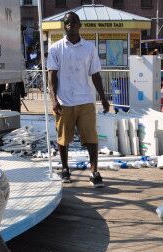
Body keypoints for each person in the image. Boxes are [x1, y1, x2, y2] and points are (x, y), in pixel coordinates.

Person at [47, 12, 110, 188]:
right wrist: (53, 100)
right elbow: (51, 77)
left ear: (80, 25)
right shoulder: (55, 48)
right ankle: (65, 169)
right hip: (64, 102)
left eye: (74, 22)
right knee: (63, 139)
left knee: (91, 137)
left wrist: (103, 98)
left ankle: (94, 171)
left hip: (86, 101)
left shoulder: (89, 48)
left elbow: (96, 74)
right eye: (67, 23)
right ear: (63, 26)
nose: (71, 25)